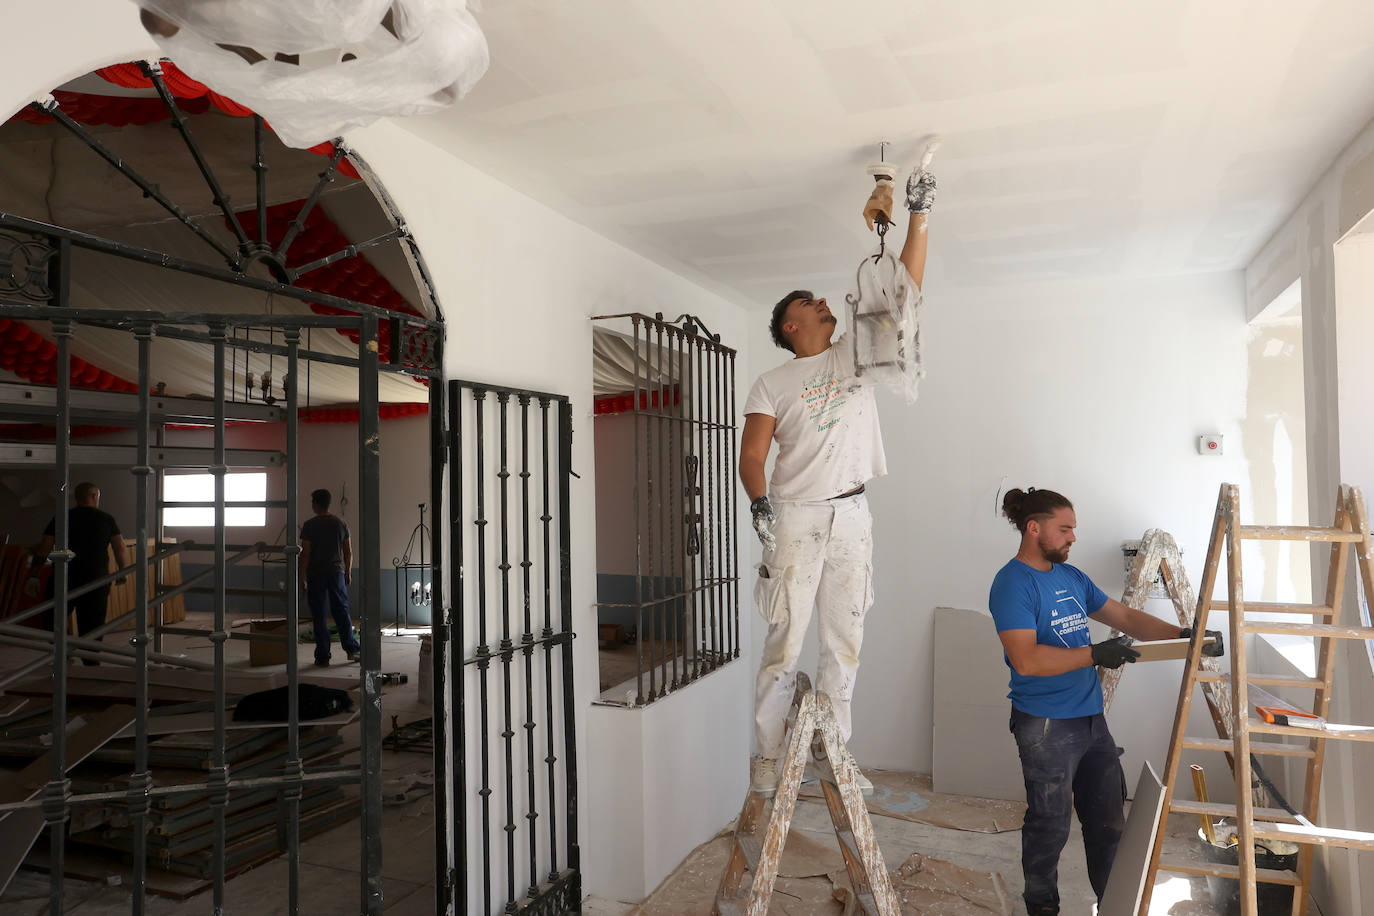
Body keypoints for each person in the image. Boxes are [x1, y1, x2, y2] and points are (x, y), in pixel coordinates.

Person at [739, 163, 936, 797]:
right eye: (810, 304)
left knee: (845, 636)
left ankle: (833, 754)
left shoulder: (854, 351)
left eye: (822, 299)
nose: (825, 301)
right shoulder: (772, 382)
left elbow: (903, 291)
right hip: (795, 513)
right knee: (784, 641)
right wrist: (759, 504)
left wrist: (918, 217)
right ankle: (769, 759)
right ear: (790, 326)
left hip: (853, 513)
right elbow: (753, 453)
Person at [989, 487, 1223, 915]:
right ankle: (1042, 908)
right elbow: (1025, 660)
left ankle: (1114, 906)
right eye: (1065, 529)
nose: (1073, 537)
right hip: (1044, 725)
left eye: (1073, 529)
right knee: (1049, 826)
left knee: (1108, 823)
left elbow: (1127, 618)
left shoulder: (1071, 578)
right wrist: (1095, 654)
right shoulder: (1012, 584)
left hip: (1090, 721)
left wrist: (1185, 635)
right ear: (1033, 528)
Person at [27, 482, 129, 654]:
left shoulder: (62, 517)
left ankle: (63, 654)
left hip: (64, 576)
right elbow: (120, 547)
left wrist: (34, 575)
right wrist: (122, 572)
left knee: (54, 619)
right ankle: (90, 662)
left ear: (77, 498)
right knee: (92, 625)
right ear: (95, 496)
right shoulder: (106, 519)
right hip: (96, 579)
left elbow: (45, 546)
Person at [299, 488, 360, 666]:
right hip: (336, 573)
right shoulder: (340, 523)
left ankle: (323, 656)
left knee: (318, 614)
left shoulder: (310, 525)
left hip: (316, 574)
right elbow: (348, 552)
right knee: (341, 611)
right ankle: (352, 649)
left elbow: (305, 554)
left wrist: (301, 578)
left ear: (316, 504)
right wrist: (348, 572)